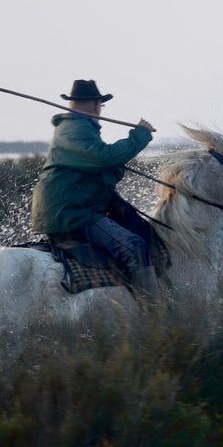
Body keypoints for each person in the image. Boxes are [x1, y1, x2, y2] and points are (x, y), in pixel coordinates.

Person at [31, 79, 158, 295]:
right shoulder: (76, 128)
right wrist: (140, 135)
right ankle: (157, 313)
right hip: (73, 213)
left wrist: (115, 168)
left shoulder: (75, 128)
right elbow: (103, 158)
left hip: (65, 209)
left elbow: (99, 169)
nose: (101, 110)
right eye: (100, 104)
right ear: (94, 104)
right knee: (135, 247)